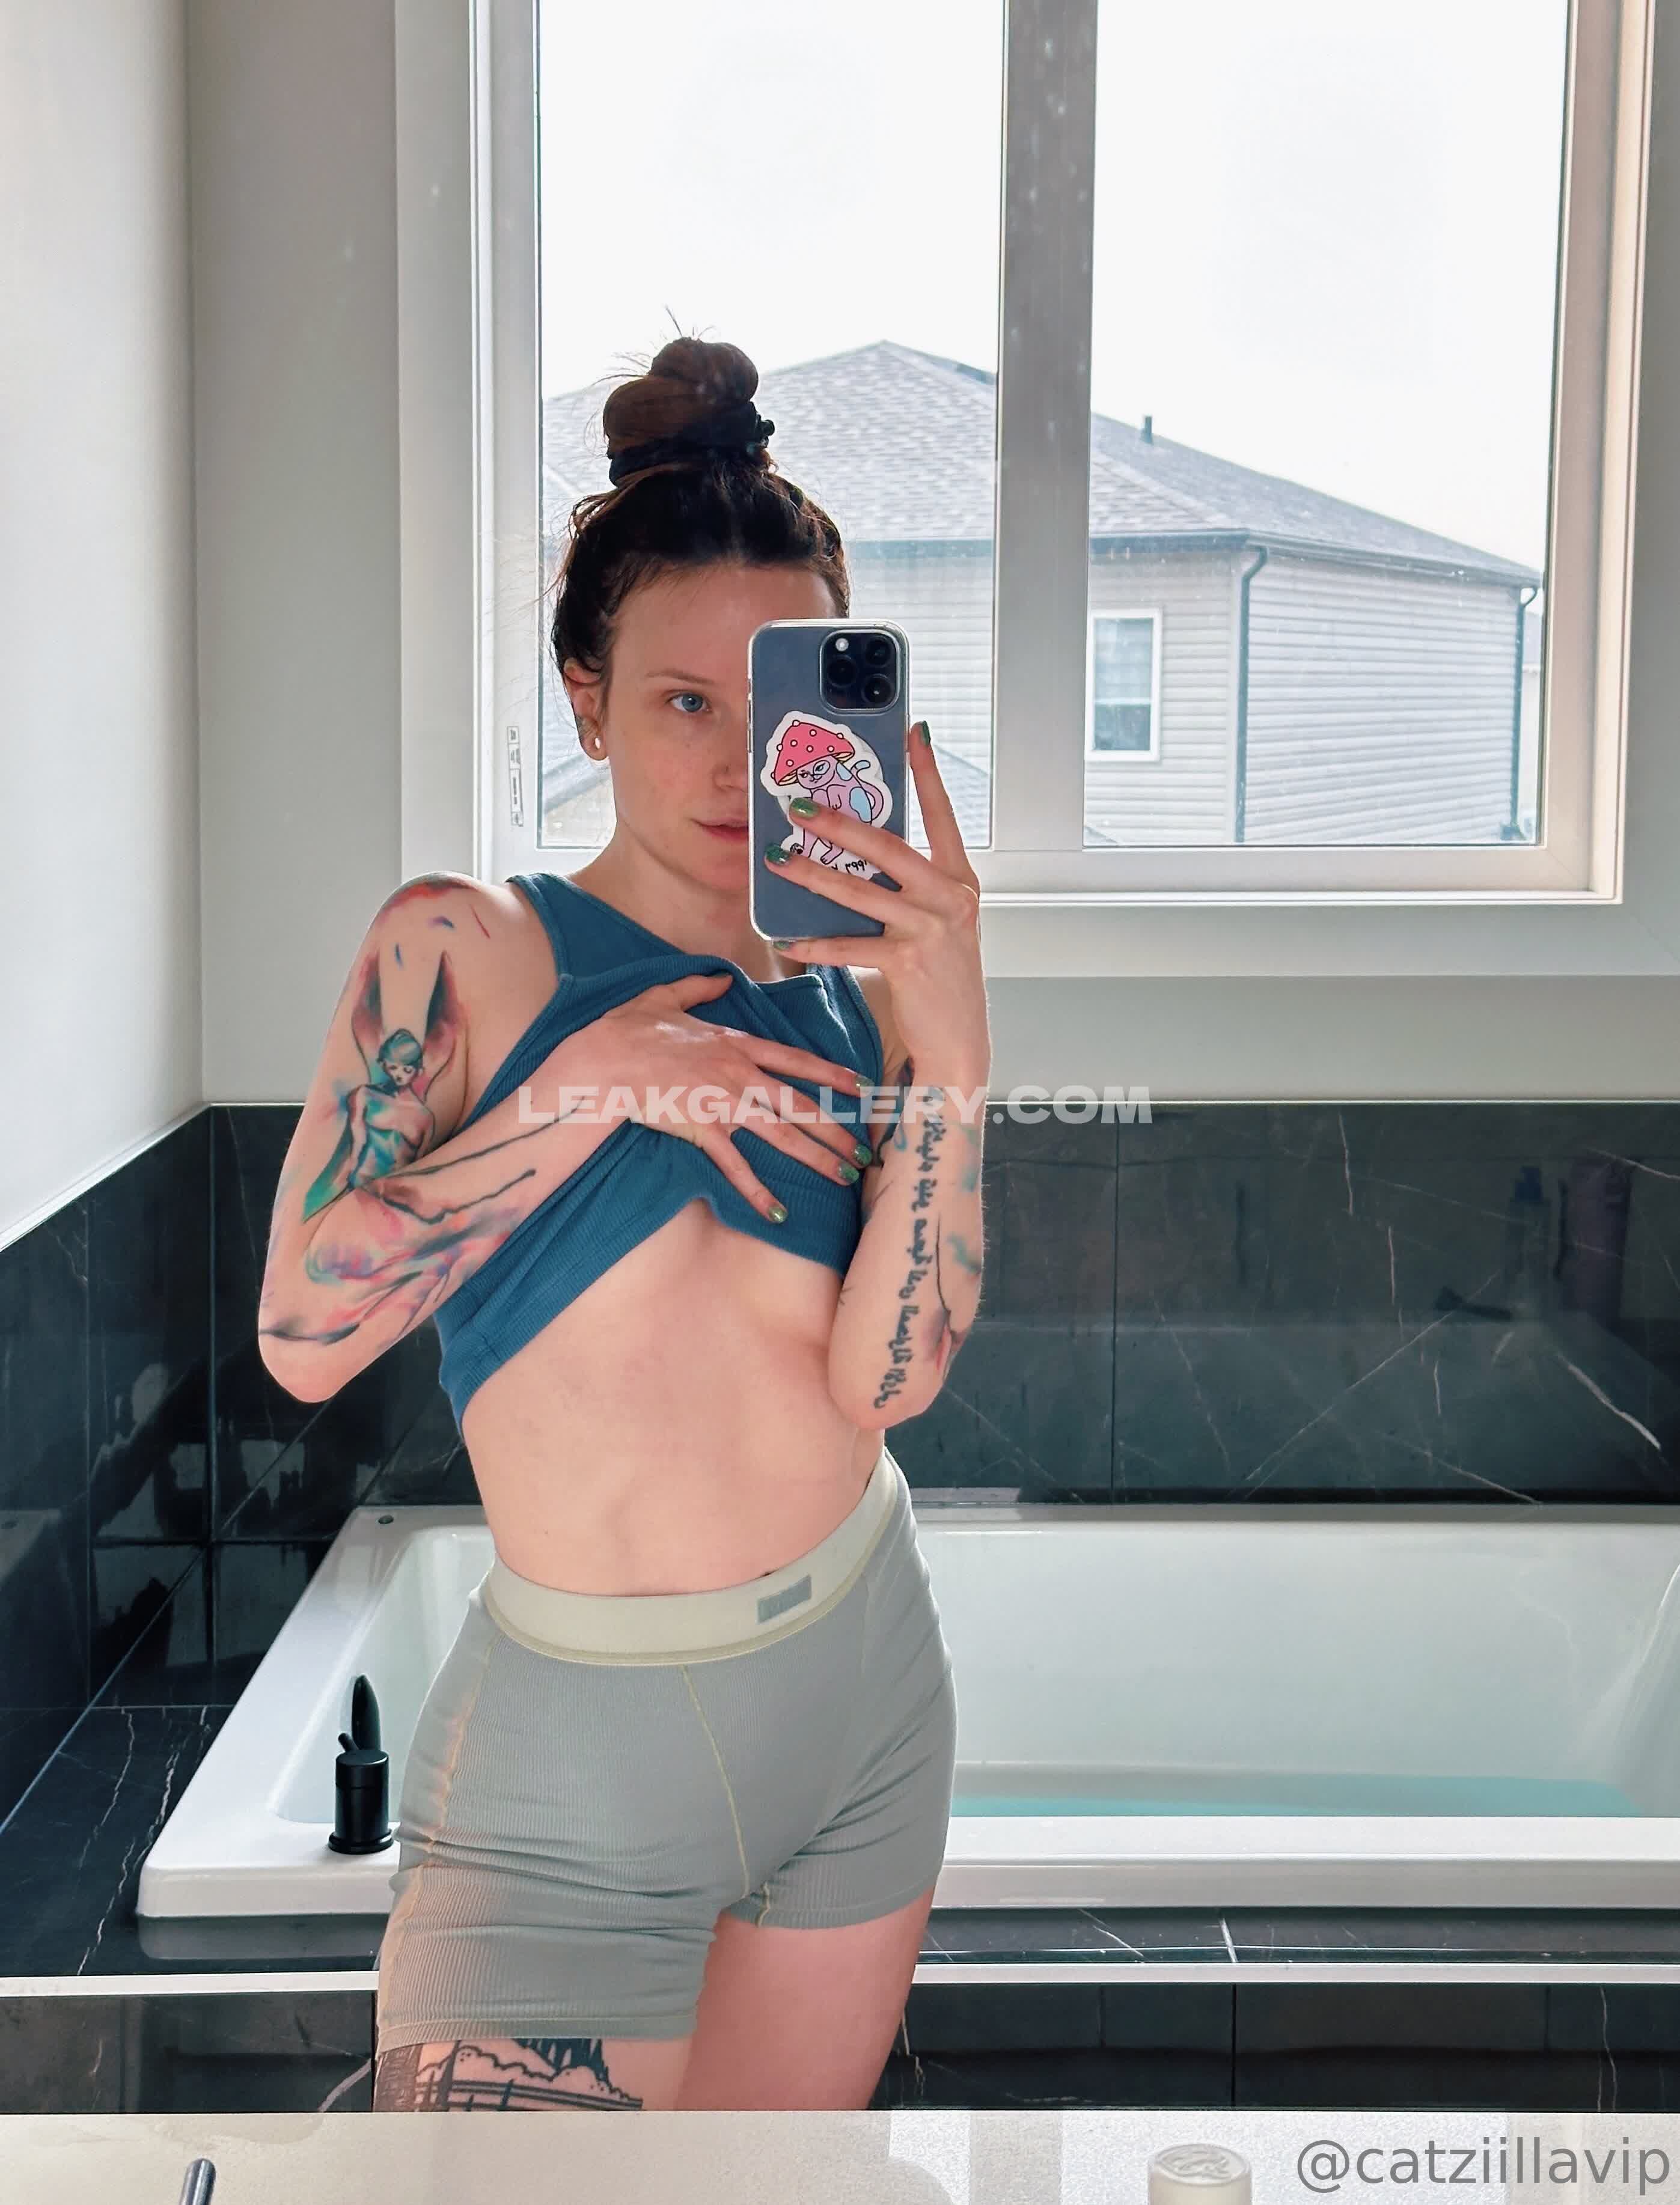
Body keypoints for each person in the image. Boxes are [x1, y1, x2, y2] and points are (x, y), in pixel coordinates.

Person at [257, 335, 990, 2112]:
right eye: (680, 703)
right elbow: (303, 1337)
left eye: (778, 706)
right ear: (587, 705)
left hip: (862, 1704)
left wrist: (955, 1045)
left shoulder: (853, 992)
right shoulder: (464, 951)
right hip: (570, 1776)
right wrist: (581, 1093)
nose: (738, 764)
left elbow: (888, 1382)